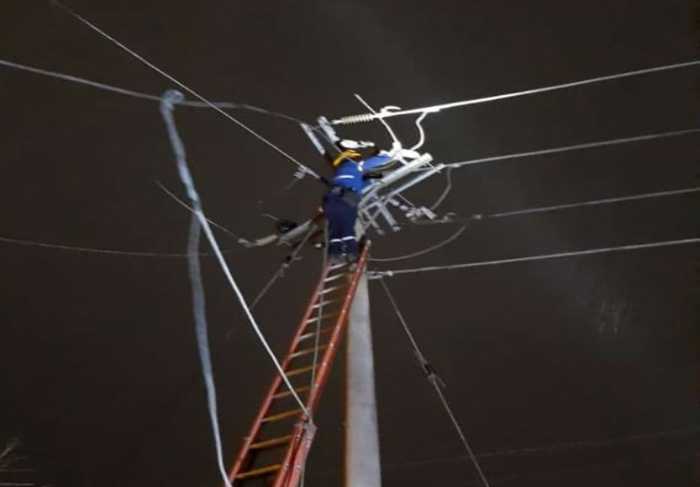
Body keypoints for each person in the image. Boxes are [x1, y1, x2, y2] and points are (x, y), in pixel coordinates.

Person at [321, 141, 394, 264]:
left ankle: (335, 254)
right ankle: (350, 253)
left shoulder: (342, 173)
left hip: (332, 202)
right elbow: (369, 163)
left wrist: (372, 179)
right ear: (351, 158)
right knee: (346, 228)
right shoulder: (352, 166)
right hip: (344, 201)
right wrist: (386, 156)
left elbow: (361, 183)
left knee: (335, 230)